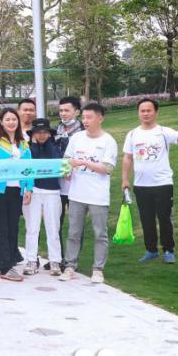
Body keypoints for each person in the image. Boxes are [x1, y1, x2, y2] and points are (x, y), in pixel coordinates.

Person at [123, 98, 178, 264]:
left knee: (164, 218)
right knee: (146, 219)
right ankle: (151, 250)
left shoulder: (163, 132)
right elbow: (127, 158)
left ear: (155, 112)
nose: (145, 113)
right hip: (141, 185)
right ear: (138, 113)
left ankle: (168, 250)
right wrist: (125, 179)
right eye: (142, 111)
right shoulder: (132, 134)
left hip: (163, 184)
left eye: (149, 110)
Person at [61, 102, 118, 284]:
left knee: (100, 233)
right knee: (73, 232)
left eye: (89, 117)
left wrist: (85, 163)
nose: (85, 121)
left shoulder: (108, 141)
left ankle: (98, 269)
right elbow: (67, 160)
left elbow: (107, 168)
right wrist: (67, 171)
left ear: (100, 118)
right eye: (83, 117)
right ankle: (70, 266)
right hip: (76, 194)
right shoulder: (76, 138)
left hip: (98, 196)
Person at [0, 108, 33, 282]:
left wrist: (29, 188)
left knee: (13, 227)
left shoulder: (23, 142)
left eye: (14, 119)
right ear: (1, 122)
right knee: (1, 228)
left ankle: (10, 259)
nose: (11, 122)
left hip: (16, 190)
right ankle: (4, 267)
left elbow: (29, 167)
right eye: (7, 119)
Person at [23, 118, 63, 276]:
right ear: (33, 134)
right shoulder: (27, 148)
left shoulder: (55, 146)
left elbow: (57, 161)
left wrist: (50, 142)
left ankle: (55, 260)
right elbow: (27, 166)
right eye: (37, 132)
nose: (41, 135)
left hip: (52, 191)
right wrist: (33, 145)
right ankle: (31, 260)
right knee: (32, 227)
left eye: (44, 132)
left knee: (53, 228)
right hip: (33, 190)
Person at [53, 95, 83, 268]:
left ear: (76, 112)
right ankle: (57, 258)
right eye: (61, 110)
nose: (63, 114)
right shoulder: (55, 130)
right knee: (56, 223)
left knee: (76, 225)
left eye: (67, 110)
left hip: (77, 184)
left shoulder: (83, 132)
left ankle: (72, 260)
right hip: (57, 185)